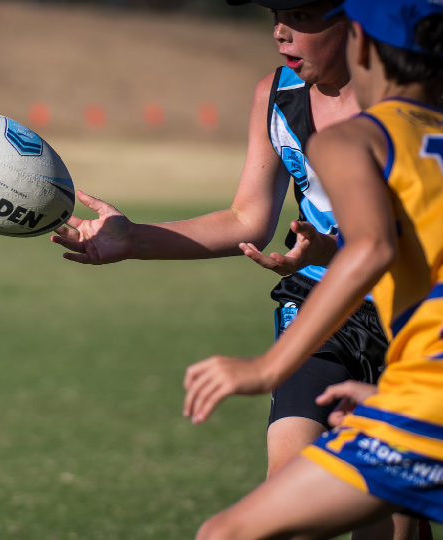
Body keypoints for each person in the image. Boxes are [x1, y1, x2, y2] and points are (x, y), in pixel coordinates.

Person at [52, 1, 426, 538]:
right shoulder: (276, 95)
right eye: (275, 12)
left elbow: (389, 245)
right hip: (322, 310)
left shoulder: (418, 104)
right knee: (287, 502)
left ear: (358, 21)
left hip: (416, 321)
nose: (279, 30)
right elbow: (247, 220)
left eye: (300, 13)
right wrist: (133, 239)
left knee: (388, 524)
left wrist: (334, 252)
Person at [183, 0, 443, 537]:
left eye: (300, 13)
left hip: (426, 396)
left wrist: (266, 368)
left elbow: (371, 248)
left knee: (226, 533)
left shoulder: (355, 140)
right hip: (415, 381)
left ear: (360, 43)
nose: (281, 30)